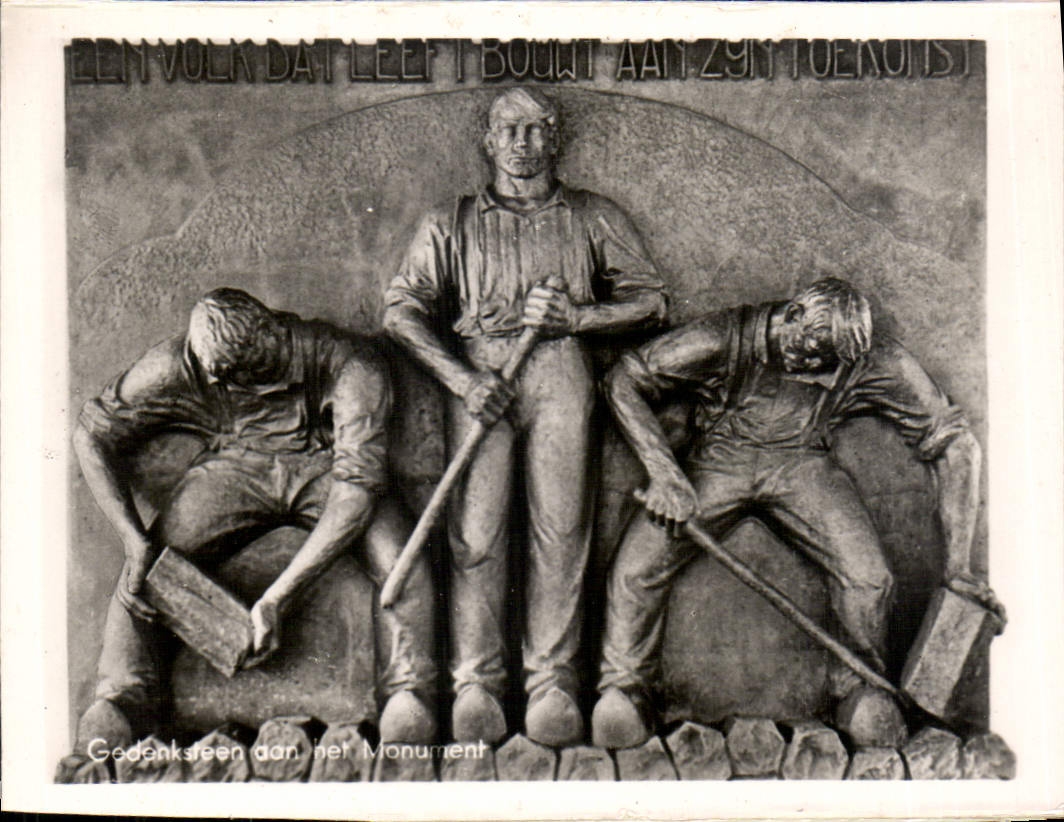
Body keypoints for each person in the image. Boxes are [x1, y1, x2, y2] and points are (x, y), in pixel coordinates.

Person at [591, 277, 1005, 748]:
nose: (813, 371)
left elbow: (955, 441)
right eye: (807, 355)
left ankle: (858, 689)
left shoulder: (868, 358)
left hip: (802, 463)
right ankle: (625, 688)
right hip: (718, 460)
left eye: (826, 367)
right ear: (793, 316)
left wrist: (959, 567)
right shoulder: (720, 337)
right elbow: (623, 379)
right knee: (634, 569)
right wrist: (665, 474)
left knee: (869, 577)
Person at [383, 87, 668, 746]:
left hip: (562, 372)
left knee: (560, 531)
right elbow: (400, 312)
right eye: (509, 130)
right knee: (476, 533)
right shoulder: (449, 222)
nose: (523, 143)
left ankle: (552, 683)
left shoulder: (593, 216)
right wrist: (460, 378)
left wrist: (580, 317)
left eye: (537, 129)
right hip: (480, 378)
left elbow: (652, 301)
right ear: (488, 141)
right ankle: (476, 683)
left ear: (555, 138)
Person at [73, 288, 437, 753]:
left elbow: (355, 493)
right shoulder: (177, 364)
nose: (219, 382)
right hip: (235, 464)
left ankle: (409, 690)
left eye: (241, 373)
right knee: (146, 572)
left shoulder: (352, 365)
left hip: (328, 465)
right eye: (216, 374)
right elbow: (91, 434)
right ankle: (122, 697)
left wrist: (278, 598)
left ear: (272, 332)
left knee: (401, 559)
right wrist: (133, 539)